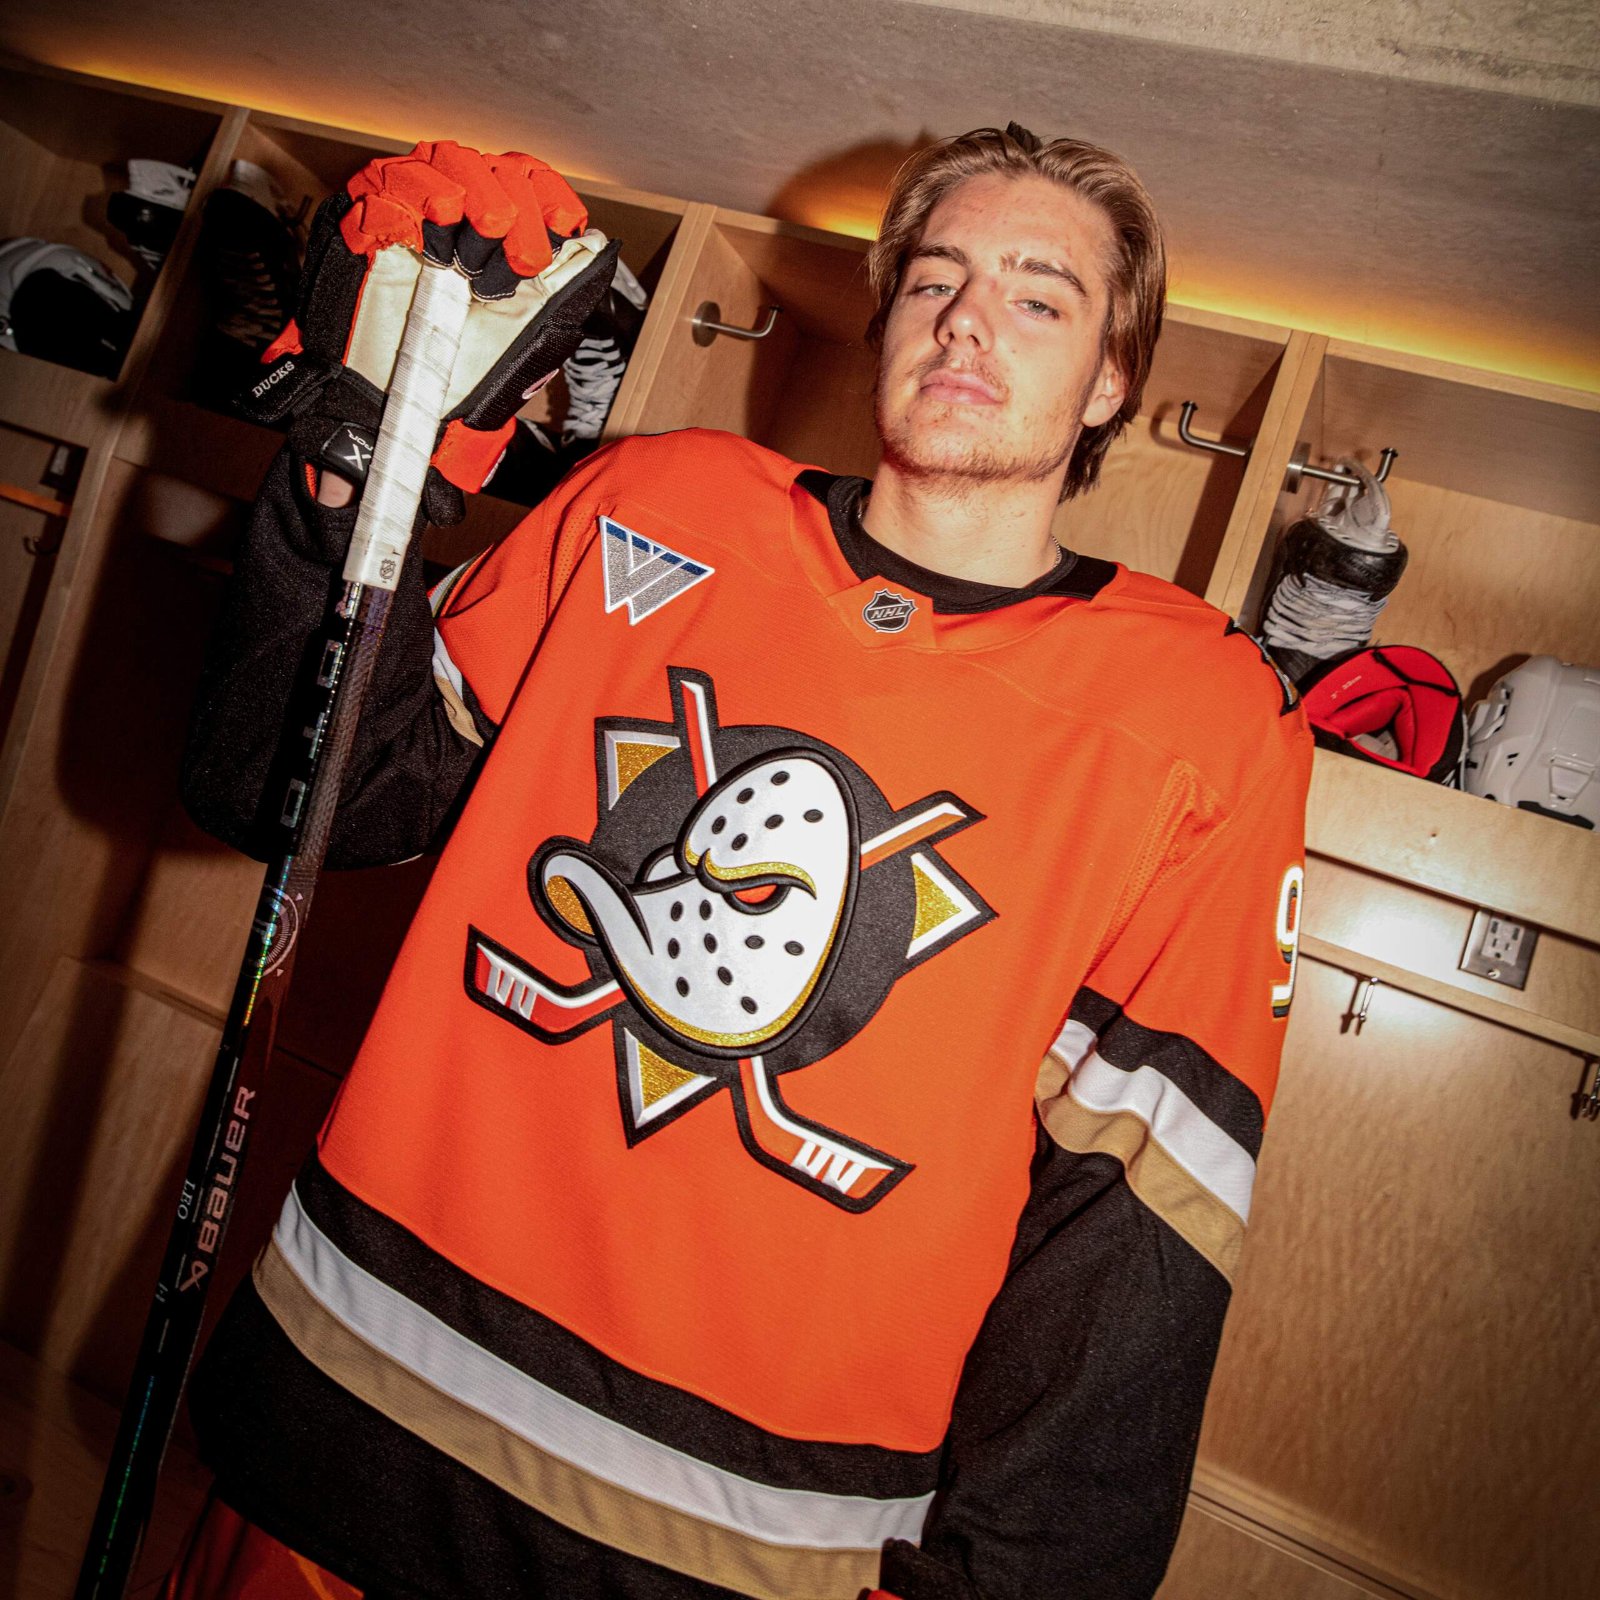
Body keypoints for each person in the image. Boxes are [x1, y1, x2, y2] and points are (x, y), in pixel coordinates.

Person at [172, 123, 1311, 1600]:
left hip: (728, 1555)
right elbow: (287, 787)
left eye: (1040, 297)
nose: (967, 319)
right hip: (343, 1423)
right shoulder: (653, 500)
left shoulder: (1205, 718)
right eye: (934, 279)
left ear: (1111, 380)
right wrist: (360, 466)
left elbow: (1137, 1218)